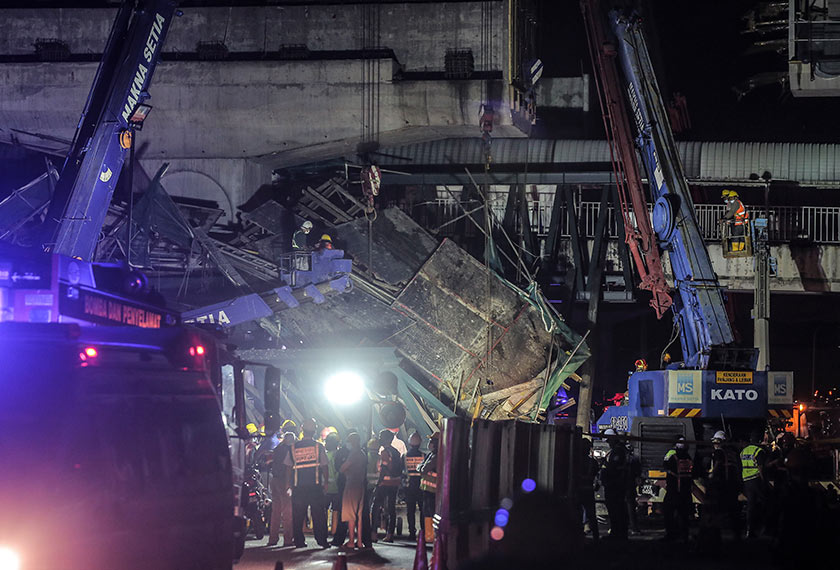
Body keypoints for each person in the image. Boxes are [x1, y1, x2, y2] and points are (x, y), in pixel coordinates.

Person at [285, 418, 330, 548]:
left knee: (298, 515)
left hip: (298, 487)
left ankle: (298, 541)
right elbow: (325, 466)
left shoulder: (293, 447)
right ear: (314, 431)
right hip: (315, 487)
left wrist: (288, 484)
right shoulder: (318, 447)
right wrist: (326, 482)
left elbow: (288, 467)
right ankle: (322, 540)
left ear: (302, 430)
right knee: (319, 515)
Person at [371, 429, 402, 543]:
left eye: (381, 436)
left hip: (384, 483)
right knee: (391, 509)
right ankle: (390, 535)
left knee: (375, 506)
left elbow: (383, 469)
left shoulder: (384, 452)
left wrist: (378, 483)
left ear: (386, 439)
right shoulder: (396, 452)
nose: (379, 439)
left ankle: (373, 533)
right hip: (395, 483)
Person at [267, 431, 296, 547]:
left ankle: (272, 539)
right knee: (287, 511)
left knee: (276, 512)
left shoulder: (278, 448)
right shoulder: (289, 450)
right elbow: (289, 467)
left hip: (274, 480)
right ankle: (288, 539)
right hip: (284, 481)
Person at [339, 432, 367, 550]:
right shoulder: (362, 453)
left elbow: (343, 468)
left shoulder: (354, 453)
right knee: (359, 514)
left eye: (349, 441)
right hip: (360, 485)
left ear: (353, 442)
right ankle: (359, 541)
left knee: (350, 514)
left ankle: (351, 541)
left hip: (351, 485)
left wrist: (345, 472)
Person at [662, 435, 693, 542]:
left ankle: (671, 535)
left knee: (668, 512)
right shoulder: (688, 457)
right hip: (686, 490)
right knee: (684, 515)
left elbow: (665, 465)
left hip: (674, 490)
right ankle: (684, 535)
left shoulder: (672, 456)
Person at [600, 429, 629, 540]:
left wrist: (605, 464)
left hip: (615, 486)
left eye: (608, 440)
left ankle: (617, 534)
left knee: (616, 510)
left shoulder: (618, 451)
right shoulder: (618, 450)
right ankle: (618, 533)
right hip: (615, 485)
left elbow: (614, 468)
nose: (608, 443)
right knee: (617, 510)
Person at [740, 431, 767, 539]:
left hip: (747, 482)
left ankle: (749, 530)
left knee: (751, 506)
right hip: (756, 480)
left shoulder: (742, 452)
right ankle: (765, 527)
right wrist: (764, 480)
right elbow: (761, 467)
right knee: (766, 502)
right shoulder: (758, 451)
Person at [575, 438, 600, 541]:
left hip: (578, 490)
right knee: (591, 515)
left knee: (578, 514)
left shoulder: (575, 461)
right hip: (588, 490)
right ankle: (596, 537)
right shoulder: (592, 462)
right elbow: (596, 477)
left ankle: (578, 536)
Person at [404, 431, 425, 541]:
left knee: (410, 511)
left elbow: (402, 472)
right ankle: (423, 532)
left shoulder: (404, 456)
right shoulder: (423, 456)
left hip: (409, 487)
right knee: (423, 510)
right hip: (421, 487)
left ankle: (412, 533)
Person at [419, 432, 439, 540]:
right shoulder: (431, 455)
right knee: (426, 512)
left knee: (430, 512)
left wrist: (422, 468)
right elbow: (421, 467)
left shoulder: (436, 456)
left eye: (431, 441)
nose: (429, 443)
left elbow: (423, 469)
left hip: (433, 490)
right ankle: (428, 535)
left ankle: (431, 535)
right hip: (427, 490)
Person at [324, 432, 341, 537]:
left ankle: (324, 530)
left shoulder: (325, 455)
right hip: (338, 487)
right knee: (336, 509)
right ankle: (334, 530)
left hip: (326, 487)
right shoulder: (340, 455)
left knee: (324, 509)